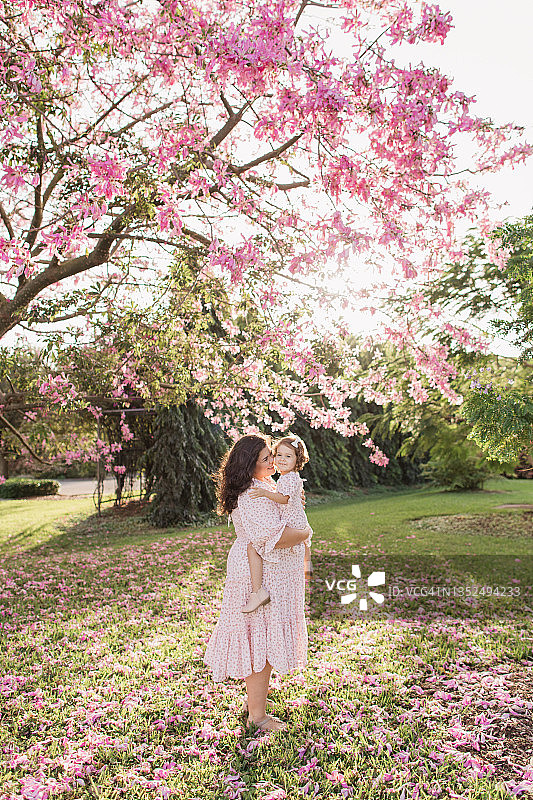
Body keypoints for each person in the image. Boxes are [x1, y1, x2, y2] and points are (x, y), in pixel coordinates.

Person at [203, 434, 312, 733]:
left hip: (273, 574)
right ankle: (258, 717)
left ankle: (255, 704)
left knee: (262, 639)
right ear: (249, 464)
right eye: (266, 458)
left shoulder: (264, 485)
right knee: (259, 643)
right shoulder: (251, 493)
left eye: (272, 456)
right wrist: (306, 533)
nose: (273, 462)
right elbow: (272, 537)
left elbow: (286, 512)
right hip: (262, 575)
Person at [241, 434, 313, 613]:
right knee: (305, 542)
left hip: (292, 519)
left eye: (287, 456)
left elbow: (282, 498)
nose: (278, 460)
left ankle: (258, 592)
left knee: (254, 547)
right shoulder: (286, 478)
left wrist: (265, 494)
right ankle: (308, 566)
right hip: (295, 517)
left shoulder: (287, 479)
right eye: (277, 455)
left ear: (297, 460)